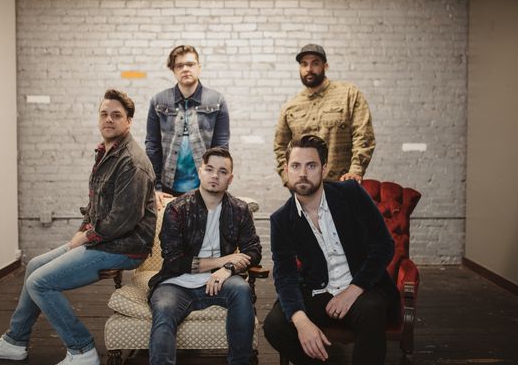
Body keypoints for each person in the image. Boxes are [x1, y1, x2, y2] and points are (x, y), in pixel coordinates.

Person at [0, 89, 157, 365]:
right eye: (104, 114)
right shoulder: (105, 152)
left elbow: (122, 219)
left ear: (129, 121)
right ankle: (15, 342)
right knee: (34, 266)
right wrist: (82, 231)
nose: (108, 119)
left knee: (40, 283)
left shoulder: (132, 162)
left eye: (116, 115)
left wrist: (86, 237)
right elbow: (96, 205)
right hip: (105, 240)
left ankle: (82, 350)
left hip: (125, 248)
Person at [263, 135, 399, 365]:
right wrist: (301, 322)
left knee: (372, 309)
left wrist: (353, 290)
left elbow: (384, 245)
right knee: (274, 325)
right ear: (286, 170)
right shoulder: (281, 219)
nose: (302, 173)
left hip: (360, 289)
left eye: (311, 165)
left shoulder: (351, 193)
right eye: (295, 166)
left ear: (324, 169)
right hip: (318, 291)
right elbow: (285, 275)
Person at [147, 147, 261, 365]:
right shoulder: (178, 208)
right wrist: (223, 261)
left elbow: (253, 250)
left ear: (230, 178)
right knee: (164, 308)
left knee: (242, 290)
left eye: (222, 171)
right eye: (209, 169)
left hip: (219, 282)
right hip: (176, 283)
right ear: (200, 172)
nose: (215, 176)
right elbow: (174, 261)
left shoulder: (239, 210)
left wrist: (227, 270)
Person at [274, 43, 376, 185]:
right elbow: (281, 147)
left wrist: (355, 171)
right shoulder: (290, 107)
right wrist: (289, 179)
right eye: (304, 64)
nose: (309, 69)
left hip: (342, 186)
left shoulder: (349, 94)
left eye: (315, 63)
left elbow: (364, 135)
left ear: (325, 66)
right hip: (305, 189)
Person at [145, 44, 230, 209]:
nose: (185, 69)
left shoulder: (217, 100)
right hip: (167, 189)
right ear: (173, 70)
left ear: (199, 67)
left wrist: (216, 186)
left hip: (203, 187)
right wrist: (155, 188)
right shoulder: (158, 101)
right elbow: (152, 147)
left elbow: (221, 148)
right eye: (179, 65)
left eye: (190, 64)